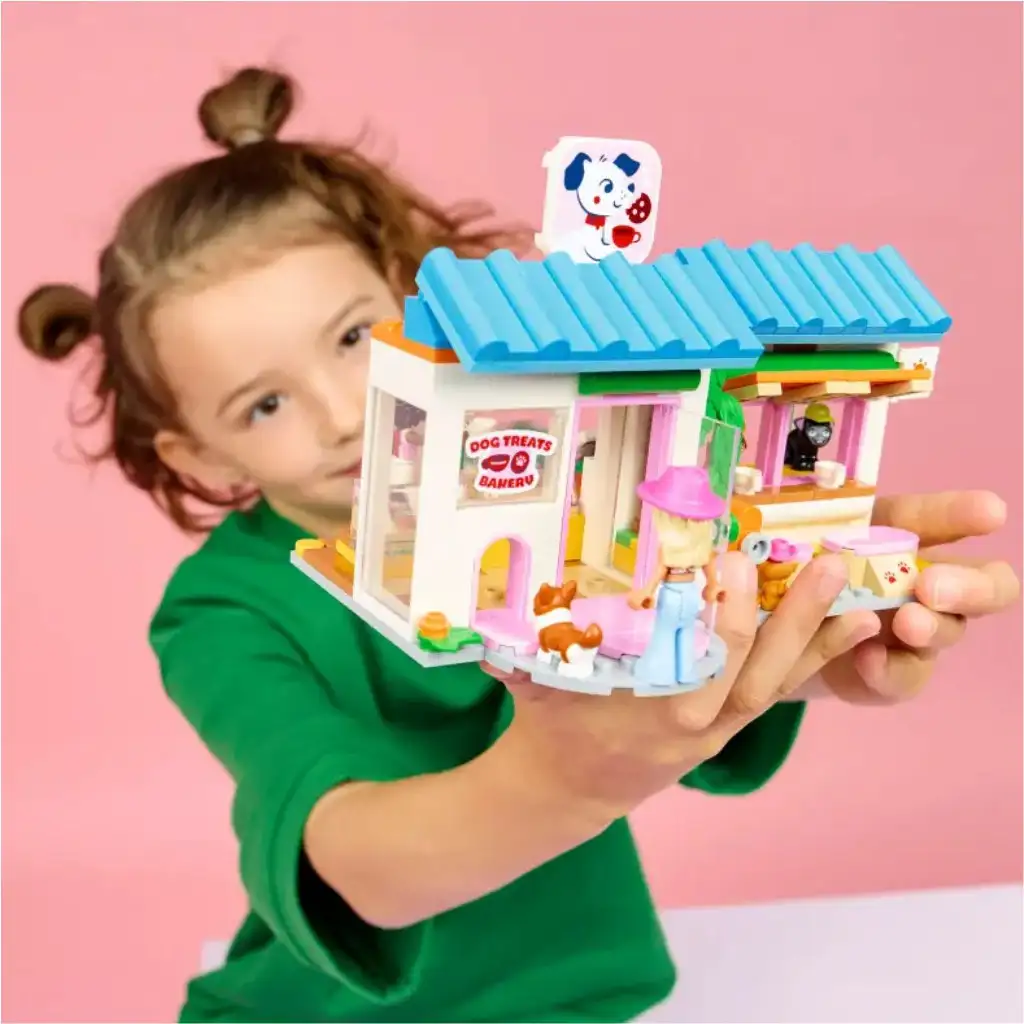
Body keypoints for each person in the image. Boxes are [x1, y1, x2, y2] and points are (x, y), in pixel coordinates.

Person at [18, 67, 1019, 1024]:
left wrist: (817, 645)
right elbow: (356, 866)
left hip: (579, 996)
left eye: (354, 338)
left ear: (413, 297)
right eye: (264, 403)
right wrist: (568, 779)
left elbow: (668, 665)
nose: (341, 414)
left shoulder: (577, 483)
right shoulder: (222, 610)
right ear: (195, 450)